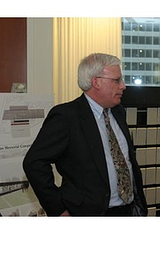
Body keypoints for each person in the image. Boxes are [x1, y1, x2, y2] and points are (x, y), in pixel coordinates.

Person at [23, 53, 147, 216]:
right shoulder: (66, 116)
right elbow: (34, 163)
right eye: (117, 80)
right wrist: (58, 209)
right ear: (96, 82)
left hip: (128, 209)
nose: (123, 86)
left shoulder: (118, 111)